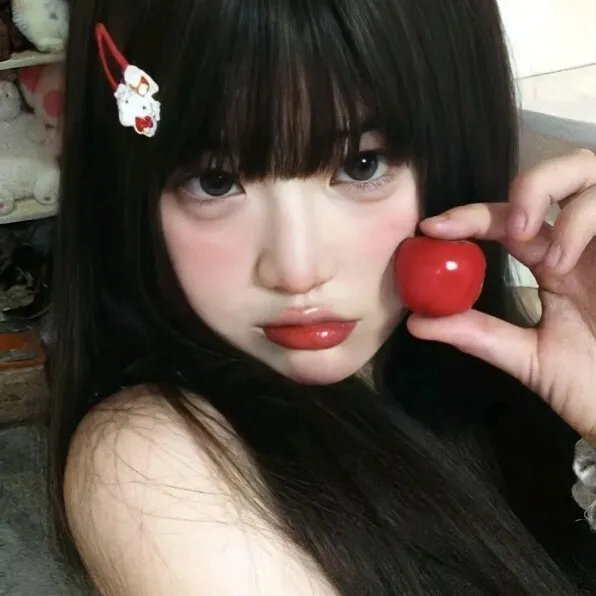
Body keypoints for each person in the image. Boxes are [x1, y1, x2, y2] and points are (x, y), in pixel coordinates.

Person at [47, 0, 596, 594]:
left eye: (362, 165)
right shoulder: (152, 464)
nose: (296, 270)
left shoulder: (521, 364)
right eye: (215, 180)